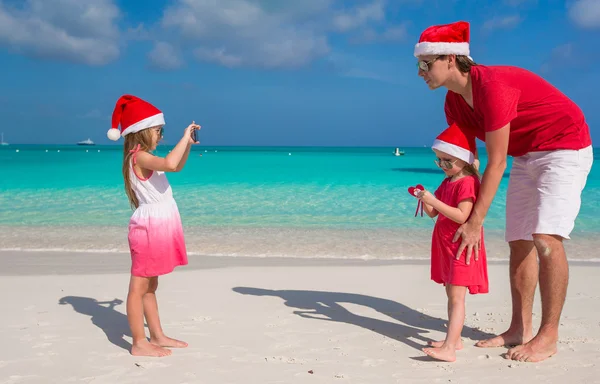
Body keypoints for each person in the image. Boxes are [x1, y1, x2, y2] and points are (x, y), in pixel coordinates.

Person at [414, 21, 593, 362]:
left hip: (564, 146)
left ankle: (548, 336)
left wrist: (476, 220)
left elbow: (497, 163)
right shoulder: (454, 103)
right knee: (519, 240)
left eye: (426, 64)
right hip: (526, 155)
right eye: (418, 65)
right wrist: (453, 204)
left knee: (545, 237)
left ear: (451, 59)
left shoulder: (492, 86)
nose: (420, 72)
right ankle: (518, 329)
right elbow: (471, 165)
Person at [107, 94, 200, 357]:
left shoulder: (145, 157)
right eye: (158, 130)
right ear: (143, 131)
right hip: (148, 229)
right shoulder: (139, 157)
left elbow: (176, 167)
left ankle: (157, 335)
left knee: (151, 285)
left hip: (159, 227)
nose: (161, 136)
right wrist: (183, 138)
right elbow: (170, 163)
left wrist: (188, 144)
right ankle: (138, 342)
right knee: (138, 288)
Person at [413, 123, 489, 362]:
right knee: (450, 293)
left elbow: (461, 215)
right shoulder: (448, 182)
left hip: (461, 247)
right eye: (439, 161)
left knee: (457, 297)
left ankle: (449, 348)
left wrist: (433, 200)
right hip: (446, 245)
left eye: (447, 161)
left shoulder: (466, 183)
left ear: (463, 161)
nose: (442, 166)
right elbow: (434, 214)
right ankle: (453, 340)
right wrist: (425, 199)